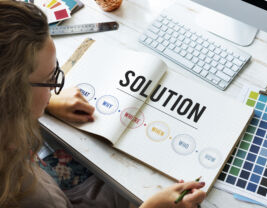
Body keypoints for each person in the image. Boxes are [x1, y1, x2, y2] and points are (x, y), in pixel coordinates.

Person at [0, 0, 206, 207]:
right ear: (13, 97)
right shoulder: (35, 198)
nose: (55, 88)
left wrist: (47, 102)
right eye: (49, 78)